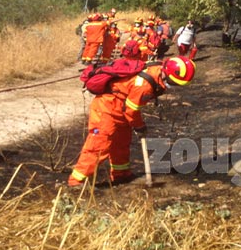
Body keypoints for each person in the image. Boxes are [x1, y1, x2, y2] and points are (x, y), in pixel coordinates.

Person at [68, 55, 196, 187]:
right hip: (106, 109)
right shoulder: (144, 85)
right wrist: (139, 126)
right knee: (98, 146)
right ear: (168, 75)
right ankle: (76, 181)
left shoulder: (156, 70)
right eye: (174, 82)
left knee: (121, 143)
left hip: (120, 109)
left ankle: (121, 174)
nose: (174, 86)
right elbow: (131, 110)